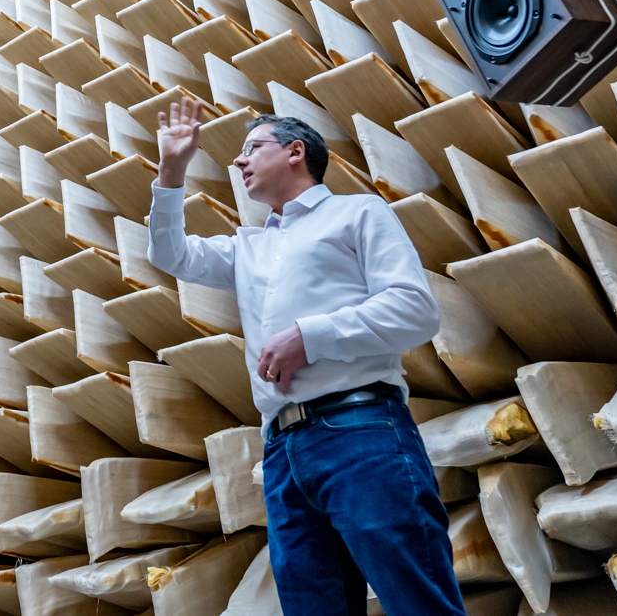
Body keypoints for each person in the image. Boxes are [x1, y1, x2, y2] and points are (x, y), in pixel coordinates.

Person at [148, 100, 464, 616]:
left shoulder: (357, 211)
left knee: (417, 600)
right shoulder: (247, 247)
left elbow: (416, 310)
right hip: (282, 452)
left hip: (361, 430)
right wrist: (172, 168)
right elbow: (170, 255)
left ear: (296, 152)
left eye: (252, 148)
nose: (238, 161)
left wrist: (308, 336)